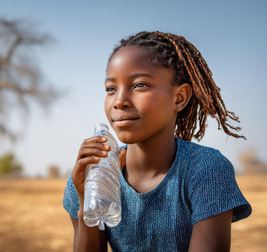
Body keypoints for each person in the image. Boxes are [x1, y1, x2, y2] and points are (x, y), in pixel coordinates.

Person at [62, 31, 252, 252]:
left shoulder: (205, 170)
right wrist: (89, 203)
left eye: (140, 85)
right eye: (111, 89)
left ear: (179, 97)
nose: (120, 101)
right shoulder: (91, 175)